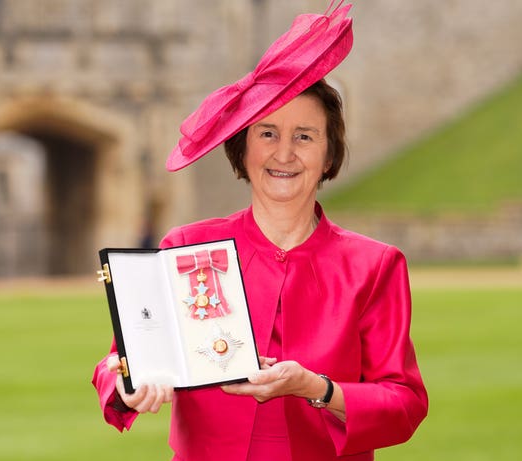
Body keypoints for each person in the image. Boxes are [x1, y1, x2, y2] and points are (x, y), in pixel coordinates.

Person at [92, 2, 428, 460]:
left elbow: (404, 403)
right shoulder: (186, 247)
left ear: (329, 156)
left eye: (305, 136)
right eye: (267, 134)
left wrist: (316, 387)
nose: (284, 154)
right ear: (242, 150)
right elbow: (117, 362)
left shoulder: (375, 265)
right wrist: (128, 386)